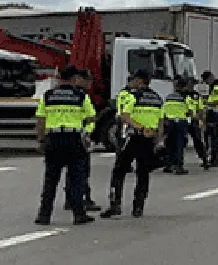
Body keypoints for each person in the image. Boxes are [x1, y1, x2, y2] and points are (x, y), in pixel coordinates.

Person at [34, 65, 97, 226]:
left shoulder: (48, 96)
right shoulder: (81, 96)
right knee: (76, 178)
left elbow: (41, 120)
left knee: (50, 180)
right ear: (74, 78)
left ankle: (44, 215)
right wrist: (80, 123)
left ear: (59, 77)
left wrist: (41, 140)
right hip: (73, 138)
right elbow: (92, 117)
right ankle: (79, 214)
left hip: (53, 138)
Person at [101, 70, 164, 219]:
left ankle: (115, 204)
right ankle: (138, 207)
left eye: (135, 80)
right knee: (143, 174)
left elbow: (125, 116)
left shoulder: (133, 96)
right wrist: (157, 139)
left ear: (139, 81)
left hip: (133, 138)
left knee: (119, 171)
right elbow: (161, 123)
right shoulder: (157, 98)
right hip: (149, 140)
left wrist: (140, 128)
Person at [63, 68, 101, 214]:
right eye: (88, 80)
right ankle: (82, 199)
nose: (90, 83)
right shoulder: (81, 95)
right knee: (81, 170)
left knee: (71, 171)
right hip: (79, 136)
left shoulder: (69, 94)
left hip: (67, 135)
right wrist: (88, 133)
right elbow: (90, 116)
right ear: (79, 79)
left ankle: (70, 199)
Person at [160, 76, 192, 175]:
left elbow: (163, 109)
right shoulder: (185, 97)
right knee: (179, 145)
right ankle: (179, 166)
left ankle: (168, 165)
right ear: (184, 87)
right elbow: (189, 111)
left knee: (169, 143)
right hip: (180, 122)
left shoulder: (169, 97)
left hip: (169, 122)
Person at [200, 70, 218, 167]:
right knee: (209, 136)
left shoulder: (216, 88)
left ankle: (214, 159)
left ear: (210, 78)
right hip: (214, 112)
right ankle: (211, 158)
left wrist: (204, 103)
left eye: (206, 80)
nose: (206, 83)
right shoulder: (216, 86)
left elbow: (216, 102)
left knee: (212, 136)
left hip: (214, 113)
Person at [184, 78, 210, 168]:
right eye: (189, 84)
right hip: (183, 119)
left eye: (192, 84)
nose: (190, 86)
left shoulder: (196, 96)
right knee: (179, 142)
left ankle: (204, 159)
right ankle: (176, 163)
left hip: (193, 120)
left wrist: (202, 120)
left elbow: (200, 109)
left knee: (198, 140)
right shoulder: (181, 95)